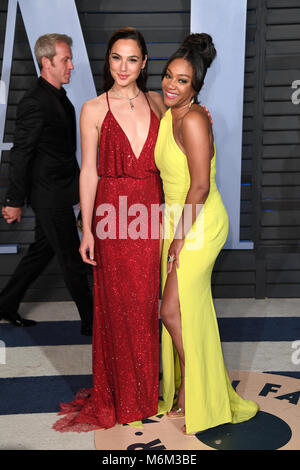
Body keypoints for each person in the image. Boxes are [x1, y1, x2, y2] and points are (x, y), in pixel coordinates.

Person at [53, 27, 166, 432]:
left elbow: (179, 139)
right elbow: (89, 171)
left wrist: (198, 114)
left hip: (151, 210)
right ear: (108, 61)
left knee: (147, 303)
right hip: (112, 216)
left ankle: (144, 390)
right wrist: (86, 228)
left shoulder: (157, 102)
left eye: (132, 59)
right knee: (118, 307)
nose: (123, 67)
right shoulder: (92, 108)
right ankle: (121, 393)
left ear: (144, 63)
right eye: (116, 58)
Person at [155, 33, 259, 434]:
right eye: (167, 76)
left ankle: (198, 391)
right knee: (184, 312)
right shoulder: (169, 111)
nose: (171, 84)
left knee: (170, 311)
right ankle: (190, 387)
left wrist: (180, 239)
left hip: (198, 221)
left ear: (196, 88)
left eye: (182, 80)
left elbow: (199, 186)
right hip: (176, 218)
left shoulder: (195, 118)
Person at [0, 33, 93, 336]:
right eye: (65, 60)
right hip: (47, 194)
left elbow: (62, 151)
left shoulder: (58, 97)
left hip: (59, 189)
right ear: (46, 62)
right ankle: (93, 323)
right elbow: (22, 153)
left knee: (42, 249)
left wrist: (80, 191)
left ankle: (5, 302)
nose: (71, 66)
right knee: (72, 259)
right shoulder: (35, 102)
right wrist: (13, 200)